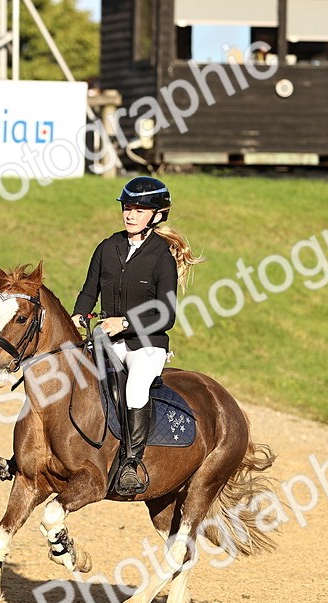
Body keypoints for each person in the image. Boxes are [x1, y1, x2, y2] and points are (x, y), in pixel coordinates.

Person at [71, 177, 203, 497]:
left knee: (134, 388)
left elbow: (166, 315)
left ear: (157, 215)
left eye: (139, 210)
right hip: (106, 340)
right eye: (127, 207)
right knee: (72, 378)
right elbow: (89, 291)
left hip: (147, 345)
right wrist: (77, 314)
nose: (130, 215)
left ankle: (131, 462)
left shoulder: (162, 257)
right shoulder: (107, 247)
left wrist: (125, 324)